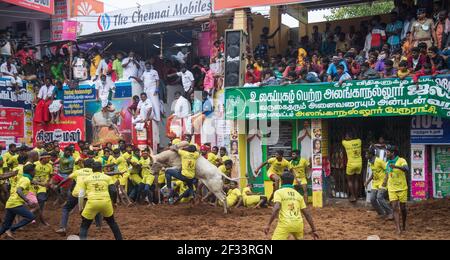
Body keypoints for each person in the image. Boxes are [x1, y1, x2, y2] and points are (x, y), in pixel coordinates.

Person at [264, 172, 319, 240]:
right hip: (298, 224)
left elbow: (276, 208)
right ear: (292, 182)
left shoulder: (278, 192)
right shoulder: (298, 195)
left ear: (282, 181)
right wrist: (314, 230)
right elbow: (307, 214)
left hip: (285, 224)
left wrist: (268, 224)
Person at [78, 162, 123, 240]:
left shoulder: (86, 179)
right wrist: (114, 202)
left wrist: (80, 208)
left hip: (92, 203)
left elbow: (81, 194)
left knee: (84, 225)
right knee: (112, 223)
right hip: (106, 202)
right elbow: (113, 191)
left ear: (92, 169)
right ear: (101, 169)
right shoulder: (107, 177)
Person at [0, 164, 37, 239]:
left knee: (5, 226)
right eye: (34, 171)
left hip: (10, 203)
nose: (35, 172)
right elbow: (19, 191)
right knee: (31, 217)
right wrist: (28, 201)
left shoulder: (24, 178)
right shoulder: (26, 180)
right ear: (31, 171)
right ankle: (11, 229)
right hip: (15, 204)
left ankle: (8, 230)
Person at [382, 145, 409, 234]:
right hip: (392, 188)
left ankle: (404, 224)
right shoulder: (387, 163)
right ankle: (398, 228)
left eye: (388, 152)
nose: (386, 153)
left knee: (403, 208)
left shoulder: (401, 160)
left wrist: (396, 167)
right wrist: (384, 184)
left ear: (393, 153)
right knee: (394, 208)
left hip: (402, 188)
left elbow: (406, 169)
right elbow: (387, 174)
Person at [364, 147, 392, 219]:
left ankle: (390, 213)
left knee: (379, 197)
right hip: (375, 183)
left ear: (371, 154)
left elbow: (388, 169)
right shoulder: (370, 162)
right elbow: (374, 173)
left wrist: (385, 180)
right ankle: (381, 213)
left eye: (367, 154)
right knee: (372, 199)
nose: (365, 155)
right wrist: (367, 181)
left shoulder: (379, 161)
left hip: (382, 182)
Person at [342, 132, 362, 202]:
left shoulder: (346, 143)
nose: (346, 137)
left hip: (351, 164)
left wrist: (345, 139)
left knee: (350, 180)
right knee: (356, 180)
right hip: (359, 163)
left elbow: (342, 140)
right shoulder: (359, 141)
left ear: (349, 137)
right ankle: (356, 196)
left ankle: (353, 196)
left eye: (346, 136)